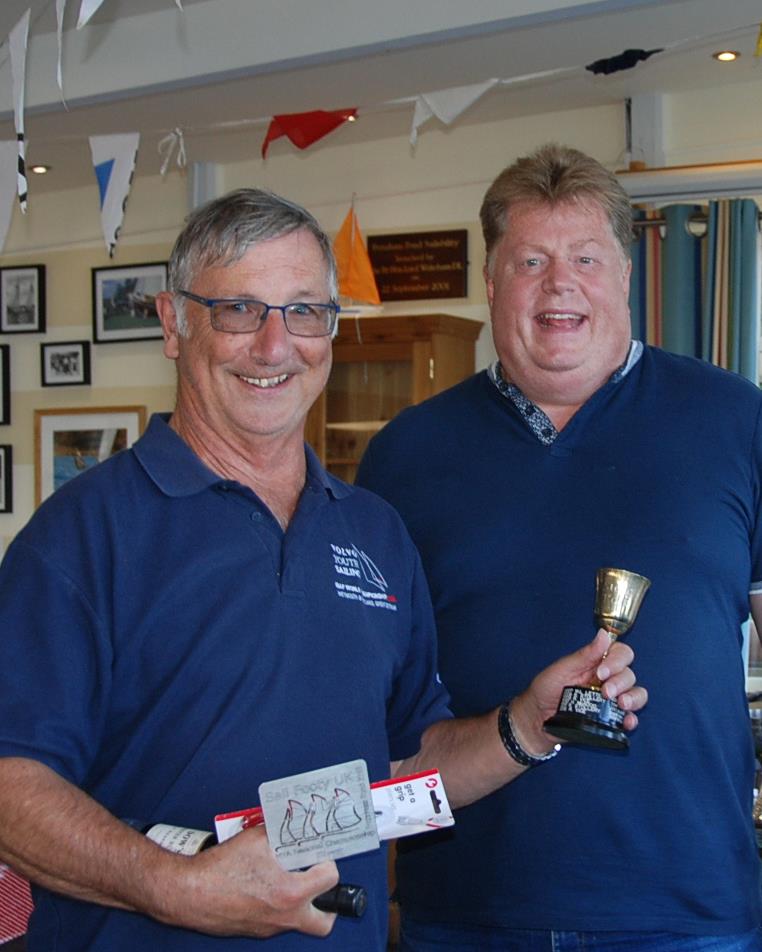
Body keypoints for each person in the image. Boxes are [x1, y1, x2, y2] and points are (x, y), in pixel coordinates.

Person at [0, 188, 646, 952]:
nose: (276, 347)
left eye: (304, 311)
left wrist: (528, 726)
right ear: (175, 324)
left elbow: (407, 765)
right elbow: (12, 785)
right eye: (239, 309)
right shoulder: (81, 537)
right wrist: (176, 888)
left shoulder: (374, 530)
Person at [356, 143, 762, 951]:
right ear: (491, 281)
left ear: (625, 275)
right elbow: (378, 709)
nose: (558, 283)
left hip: (690, 911)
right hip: (466, 913)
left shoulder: (738, 421)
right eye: (529, 260)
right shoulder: (403, 456)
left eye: (584, 257)